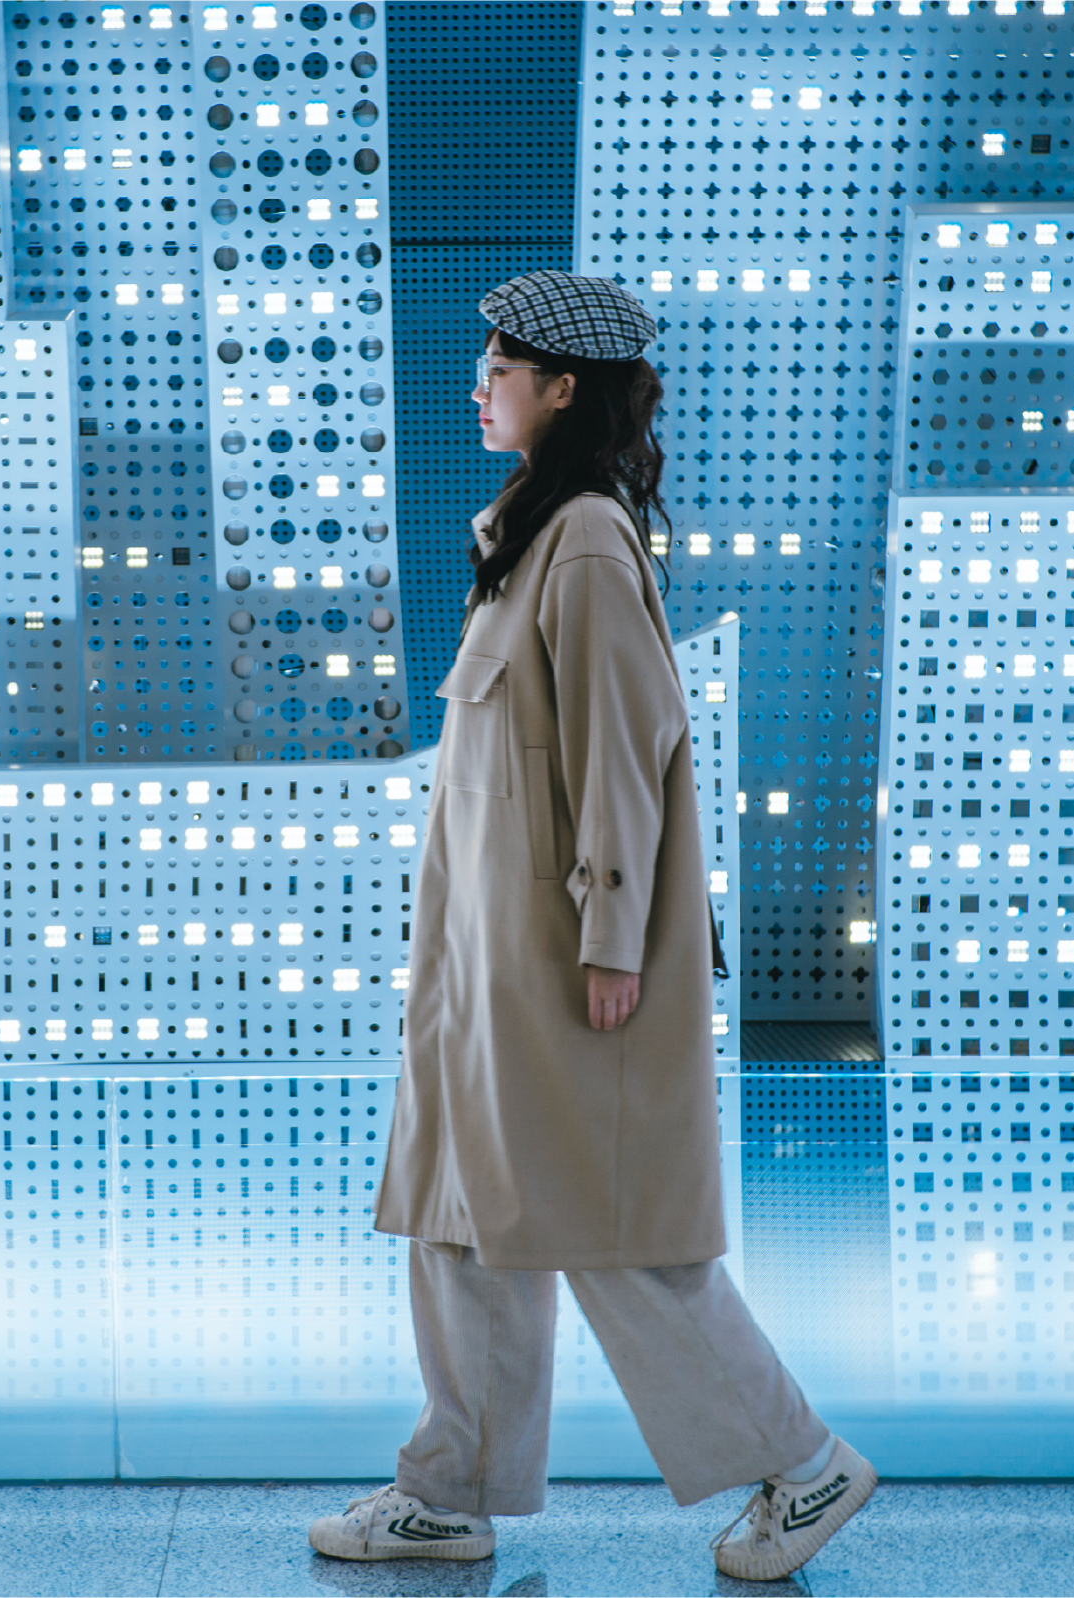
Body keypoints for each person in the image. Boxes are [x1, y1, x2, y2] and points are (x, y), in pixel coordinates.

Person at [304, 271, 875, 1582]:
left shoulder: (591, 543)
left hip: (564, 962)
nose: (478, 384)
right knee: (463, 1216)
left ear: (564, 386)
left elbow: (626, 749)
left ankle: (807, 1465)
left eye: (499, 364)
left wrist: (612, 935)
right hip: (487, 964)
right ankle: (448, 1489)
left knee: (614, 1234)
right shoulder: (533, 531)